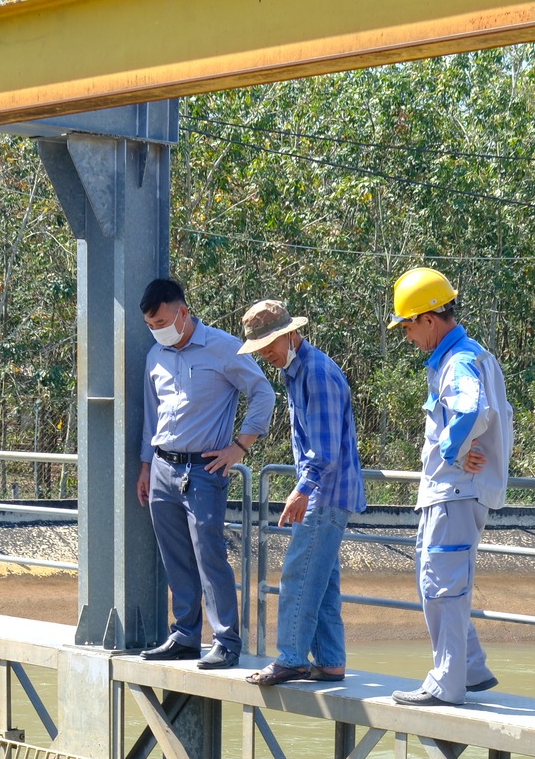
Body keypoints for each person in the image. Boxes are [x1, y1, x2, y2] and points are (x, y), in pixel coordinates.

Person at [384, 266, 511, 708]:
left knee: (443, 586)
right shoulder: (463, 356)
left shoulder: (458, 362)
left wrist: (455, 451)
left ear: (428, 319)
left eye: (408, 327)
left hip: (455, 492)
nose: (407, 337)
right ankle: (469, 668)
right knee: (435, 579)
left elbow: (471, 409)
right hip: (451, 493)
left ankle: (446, 683)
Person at [135, 277, 273, 670]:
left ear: (182, 312)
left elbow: (262, 392)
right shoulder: (155, 356)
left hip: (204, 470)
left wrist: (240, 447)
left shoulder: (224, 348)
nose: (156, 329)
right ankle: (185, 635)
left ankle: (226, 641)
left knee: (209, 555)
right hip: (163, 467)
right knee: (175, 556)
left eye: (161, 320)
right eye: (150, 324)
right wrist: (146, 465)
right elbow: (151, 414)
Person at [236, 298, 365, 688]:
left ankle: (292, 657)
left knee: (299, 574)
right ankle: (330, 661)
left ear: (293, 333)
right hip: (324, 490)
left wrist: (303, 489)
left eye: (271, 343)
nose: (267, 354)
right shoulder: (299, 370)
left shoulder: (315, 373)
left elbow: (323, 450)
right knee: (321, 579)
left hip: (324, 492)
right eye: (260, 348)